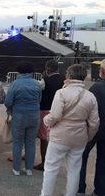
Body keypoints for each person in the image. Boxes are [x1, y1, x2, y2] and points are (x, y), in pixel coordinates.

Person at [40, 64, 99, 196]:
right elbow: (94, 123)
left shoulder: (61, 93)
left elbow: (55, 115)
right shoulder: (90, 96)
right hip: (79, 137)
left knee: (51, 168)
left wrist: (46, 121)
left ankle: (46, 194)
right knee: (74, 169)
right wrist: (87, 137)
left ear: (69, 76)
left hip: (60, 136)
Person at [5, 62, 42, 176]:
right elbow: (39, 99)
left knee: (17, 143)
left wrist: (10, 110)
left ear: (19, 72)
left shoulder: (15, 84)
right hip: (34, 115)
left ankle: (16, 169)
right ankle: (29, 169)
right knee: (31, 143)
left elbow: (8, 101)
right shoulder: (37, 84)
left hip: (19, 115)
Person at [78, 59, 105, 196]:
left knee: (81, 157)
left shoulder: (96, 88)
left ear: (102, 71)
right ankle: (100, 190)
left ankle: (80, 188)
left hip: (94, 129)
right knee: (102, 161)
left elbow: (89, 109)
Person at [34, 60, 64, 171]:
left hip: (45, 110)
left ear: (47, 69)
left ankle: (44, 162)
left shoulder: (44, 81)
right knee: (55, 137)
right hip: (60, 111)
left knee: (44, 138)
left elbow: (38, 92)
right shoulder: (64, 79)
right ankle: (55, 160)